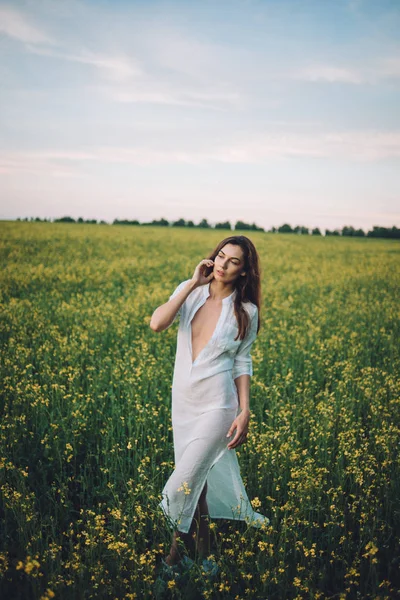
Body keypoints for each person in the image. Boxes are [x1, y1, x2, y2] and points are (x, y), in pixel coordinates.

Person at [150, 235, 269, 567]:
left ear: (244, 272)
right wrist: (190, 284)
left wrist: (245, 410)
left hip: (218, 405)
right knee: (197, 484)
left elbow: (242, 363)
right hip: (184, 404)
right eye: (221, 256)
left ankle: (173, 561)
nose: (223, 264)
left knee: (183, 483)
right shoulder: (190, 293)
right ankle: (205, 559)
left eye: (233, 261)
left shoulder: (246, 311)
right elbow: (157, 323)